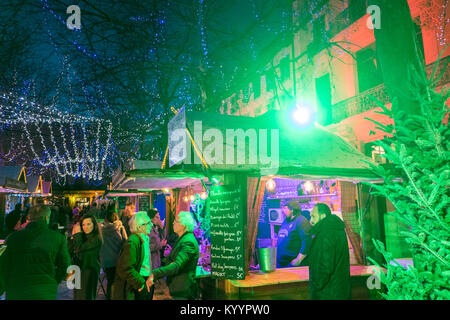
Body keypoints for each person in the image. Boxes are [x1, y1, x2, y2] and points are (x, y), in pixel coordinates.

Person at [0, 205, 71, 299]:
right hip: (45, 291)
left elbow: (3, 266)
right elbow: (65, 265)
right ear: (46, 218)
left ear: (28, 218)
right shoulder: (58, 238)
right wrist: (53, 281)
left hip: (17, 290)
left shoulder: (12, 238)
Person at [150, 211, 200, 300]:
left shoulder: (188, 242)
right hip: (178, 288)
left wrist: (155, 273)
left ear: (183, 225)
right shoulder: (182, 238)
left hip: (183, 289)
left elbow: (177, 265)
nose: (173, 223)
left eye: (176, 221)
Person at [309, 203, 351, 300]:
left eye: (313, 216)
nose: (311, 221)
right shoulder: (336, 229)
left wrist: (317, 284)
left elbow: (325, 265)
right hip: (339, 290)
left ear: (323, 216)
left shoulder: (325, 234)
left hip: (327, 293)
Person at [112, 211, 154, 300]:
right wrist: (141, 283)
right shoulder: (133, 242)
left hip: (144, 279)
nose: (152, 225)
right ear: (140, 226)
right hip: (137, 283)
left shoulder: (145, 239)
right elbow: (126, 267)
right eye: (149, 223)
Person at [68, 214, 103, 300]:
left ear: (94, 225)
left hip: (89, 271)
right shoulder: (82, 237)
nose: (85, 227)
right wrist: (73, 237)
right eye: (83, 225)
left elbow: (80, 248)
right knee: (77, 296)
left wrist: (78, 234)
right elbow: (69, 250)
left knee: (85, 296)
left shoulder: (96, 239)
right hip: (77, 270)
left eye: (88, 224)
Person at [100, 208, 128, 300]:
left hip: (106, 260)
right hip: (119, 260)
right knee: (119, 282)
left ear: (105, 219)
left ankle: (109, 297)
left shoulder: (101, 230)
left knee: (110, 281)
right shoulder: (120, 228)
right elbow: (126, 243)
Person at [276, 200, 312, 268]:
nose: (282, 211)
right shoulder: (286, 221)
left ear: (292, 209)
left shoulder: (301, 220)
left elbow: (307, 241)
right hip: (281, 264)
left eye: (285, 208)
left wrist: (298, 260)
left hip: (291, 265)